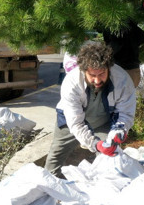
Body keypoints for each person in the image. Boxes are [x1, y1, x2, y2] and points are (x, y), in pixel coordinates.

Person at [45, 40, 137, 176]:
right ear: (83, 71)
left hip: (103, 121)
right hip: (70, 122)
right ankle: (49, 187)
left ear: (109, 68)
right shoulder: (71, 82)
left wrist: (119, 131)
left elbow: (126, 113)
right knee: (54, 160)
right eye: (92, 75)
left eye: (101, 74)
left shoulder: (122, 79)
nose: (97, 80)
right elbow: (76, 122)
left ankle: (105, 187)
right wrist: (94, 143)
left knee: (111, 158)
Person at [101, 20, 144, 88]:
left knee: (116, 96)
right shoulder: (131, 25)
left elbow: (109, 44)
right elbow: (143, 37)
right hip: (132, 69)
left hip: (119, 69)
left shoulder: (111, 25)